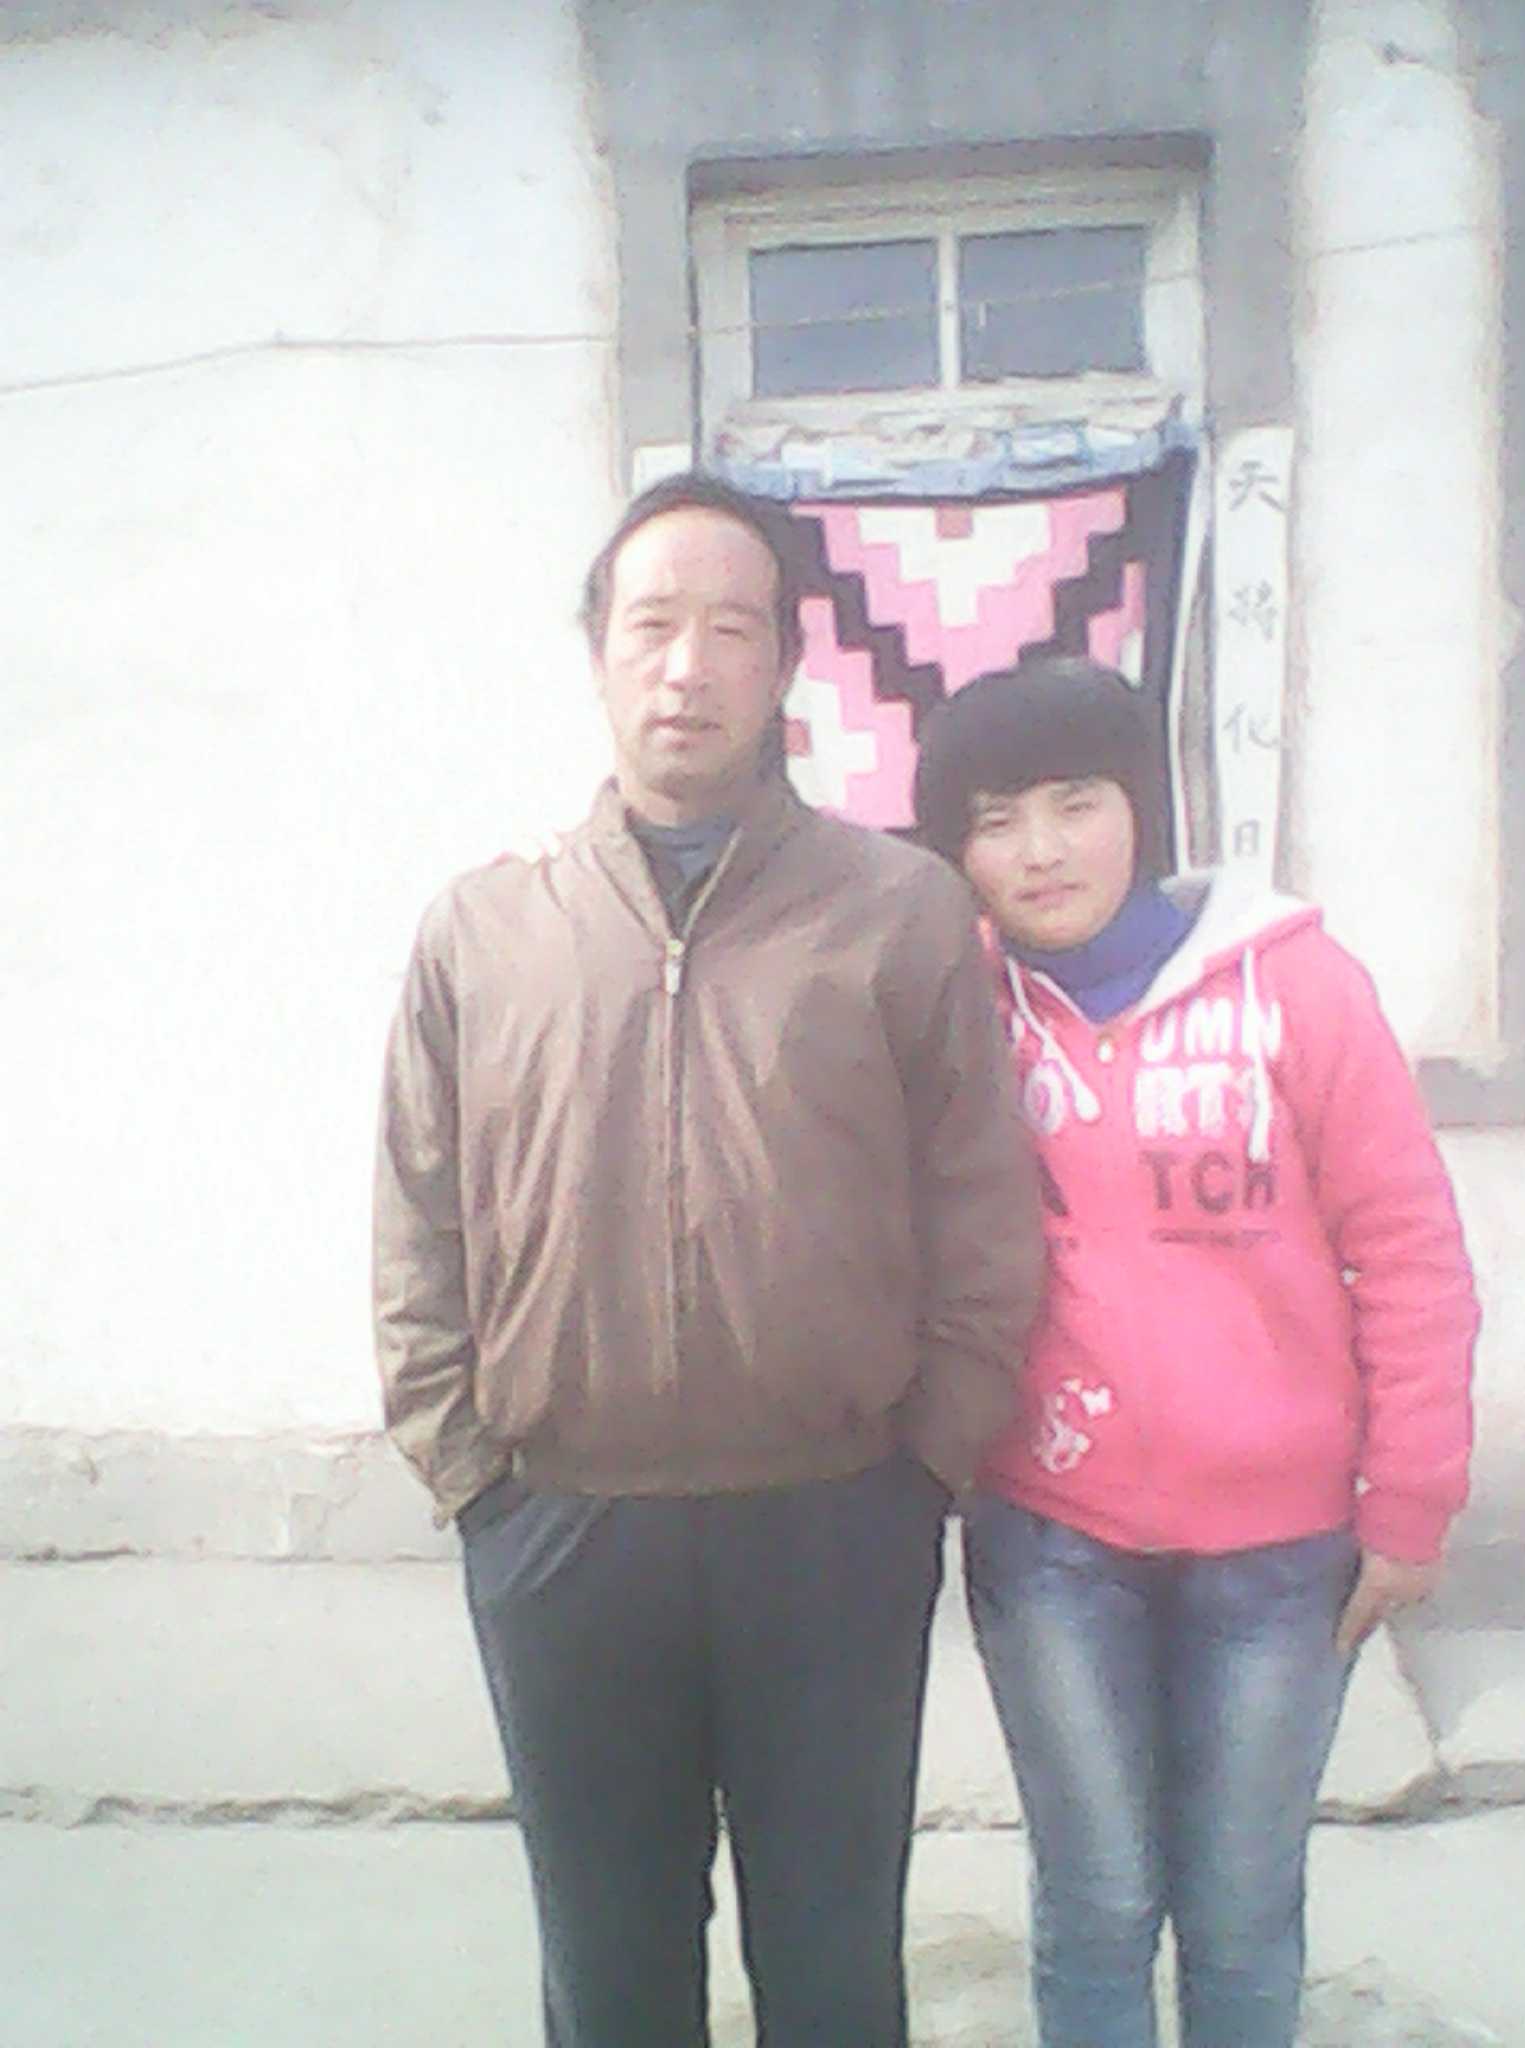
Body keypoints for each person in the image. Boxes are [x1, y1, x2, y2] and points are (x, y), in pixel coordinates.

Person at [373, 473, 1041, 2048]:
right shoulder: (486, 932)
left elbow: (982, 1201)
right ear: (598, 653)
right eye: (653, 626)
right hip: (564, 1532)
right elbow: (419, 1214)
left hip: (836, 1520)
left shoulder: (900, 911)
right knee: (611, 1973)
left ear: (787, 664)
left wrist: (926, 1462)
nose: (689, 667)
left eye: (732, 630)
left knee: (833, 1967)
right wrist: (471, 1472)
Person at [912, 653, 1479, 2048]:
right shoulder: (954, 1012)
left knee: (1239, 1912)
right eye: (995, 820)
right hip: (1052, 1542)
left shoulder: (1297, 987)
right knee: (1098, 1903)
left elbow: (1408, 1249)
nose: (1041, 850)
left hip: (1281, 1561)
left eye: (1076, 801)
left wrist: (1410, 1501)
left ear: (1143, 808)